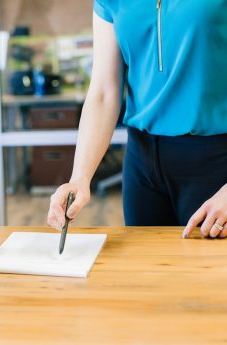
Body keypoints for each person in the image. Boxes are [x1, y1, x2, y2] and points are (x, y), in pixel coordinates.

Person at [47, 0, 227, 239]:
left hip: (216, 161)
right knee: (146, 273)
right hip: (142, 163)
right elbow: (103, 92)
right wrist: (80, 178)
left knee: (210, 274)